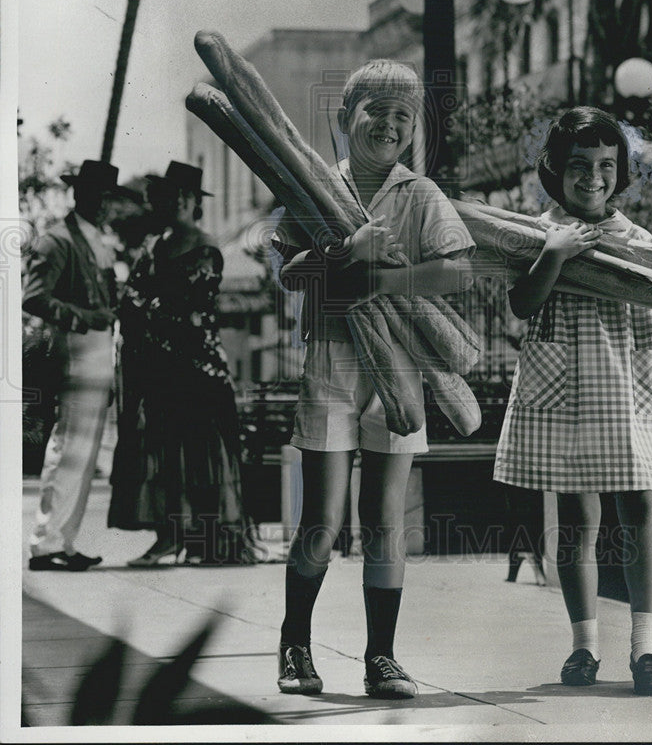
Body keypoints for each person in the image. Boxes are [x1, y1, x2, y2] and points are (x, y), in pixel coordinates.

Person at [272, 60, 474, 699]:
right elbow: (289, 271)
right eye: (375, 112)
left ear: (413, 129)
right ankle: (296, 643)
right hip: (332, 357)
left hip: (399, 363)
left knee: (386, 518)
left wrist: (383, 280)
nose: (389, 125)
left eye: (403, 117)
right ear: (343, 118)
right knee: (323, 521)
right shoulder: (310, 186)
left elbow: (458, 271)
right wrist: (344, 253)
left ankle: (380, 657)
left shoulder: (419, 193)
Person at [494, 107, 652, 696]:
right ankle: (584, 646)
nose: (593, 177)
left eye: (606, 166)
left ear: (621, 172)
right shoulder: (534, 234)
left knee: (639, 509)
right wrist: (554, 253)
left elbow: (647, 328)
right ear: (555, 170)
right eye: (579, 165)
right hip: (562, 389)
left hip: (625, 388)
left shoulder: (639, 242)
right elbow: (522, 306)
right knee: (578, 520)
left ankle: (646, 649)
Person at [108, 161, 256, 566]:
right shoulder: (155, 245)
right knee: (163, 451)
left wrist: (145, 306)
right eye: (160, 197)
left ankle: (205, 542)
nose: (164, 204)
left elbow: (185, 305)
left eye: (173, 197)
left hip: (198, 369)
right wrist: (142, 306)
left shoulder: (206, 248)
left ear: (191, 201)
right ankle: (168, 538)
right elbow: (134, 299)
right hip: (158, 367)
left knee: (200, 452)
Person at [24, 159, 124, 571]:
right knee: (69, 448)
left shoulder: (94, 239)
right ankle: (46, 543)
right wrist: (86, 317)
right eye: (100, 197)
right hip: (75, 350)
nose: (105, 206)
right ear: (80, 195)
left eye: (108, 198)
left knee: (83, 451)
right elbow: (33, 297)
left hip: (98, 352)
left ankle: (62, 540)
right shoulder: (58, 240)